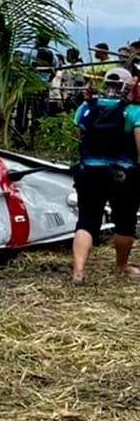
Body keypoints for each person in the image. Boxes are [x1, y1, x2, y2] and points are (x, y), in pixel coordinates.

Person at [70, 68, 140, 283]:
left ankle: (79, 270)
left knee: (87, 221)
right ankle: (121, 266)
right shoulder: (134, 112)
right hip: (123, 174)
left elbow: (79, 136)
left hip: (89, 172)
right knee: (124, 221)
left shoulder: (86, 106)